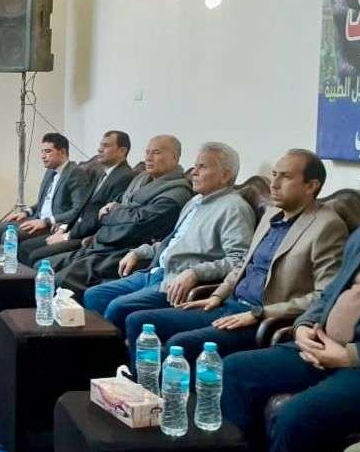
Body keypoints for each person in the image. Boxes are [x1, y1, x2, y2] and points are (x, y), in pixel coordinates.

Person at [221, 142, 360, 452]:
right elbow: (328, 293)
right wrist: (304, 325)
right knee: (234, 370)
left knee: (294, 417)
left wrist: (350, 355)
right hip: (318, 345)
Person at [125, 149, 347, 362]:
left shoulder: (327, 226)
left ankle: (164, 389)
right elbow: (244, 264)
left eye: (286, 177)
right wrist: (217, 295)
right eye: (274, 174)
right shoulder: (272, 214)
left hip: (261, 319)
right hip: (229, 304)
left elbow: (323, 295)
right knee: (139, 320)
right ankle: (139, 388)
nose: (274, 184)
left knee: (180, 344)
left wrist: (259, 313)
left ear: (311, 186)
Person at [81, 142, 255, 331]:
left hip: (176, 282)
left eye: (202, 167)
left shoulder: (234, 208)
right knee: (94, 295)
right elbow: (173, 242)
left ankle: (112, 349)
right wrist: (139, 252)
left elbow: (239, 260)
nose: (194, 172)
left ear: (225, 175)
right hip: (155, 271)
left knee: (118, 307)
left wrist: (195, 272)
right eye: (195, 166)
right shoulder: (195, 201)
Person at [47, 135, 193, 293]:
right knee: (45, 266)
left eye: (156, 153)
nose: (148, 158)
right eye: (147, 152)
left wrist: (114, 213)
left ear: (174, 157)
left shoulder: (177, 193)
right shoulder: (141, 178)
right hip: (103, 243)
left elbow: (135, 224)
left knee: (60, 280)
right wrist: (117, 213)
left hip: (125, 251)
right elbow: (113, 207)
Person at [18, 130, 135, 266]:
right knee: (25, 247)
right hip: (73, 229)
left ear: (122, 150)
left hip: (87, 237)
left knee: (35, 255)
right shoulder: (100, 174)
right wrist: (63, 227)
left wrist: (67, 236)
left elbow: (102, 217)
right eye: (100, 145)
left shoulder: (124, 177)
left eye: (106, 146)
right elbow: (81, 207)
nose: (99, 149)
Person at [0, 132, 92, 248]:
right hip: (36, 219)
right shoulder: (50, 171)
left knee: (10, 235)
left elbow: (77, 210)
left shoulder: (75, 173)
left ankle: (6, 260)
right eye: (42, 152)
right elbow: (44, 203)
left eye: (48, 151)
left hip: (52, 225)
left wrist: (46, 221)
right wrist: (26, 212)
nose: (43, 156)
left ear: (62, 152)